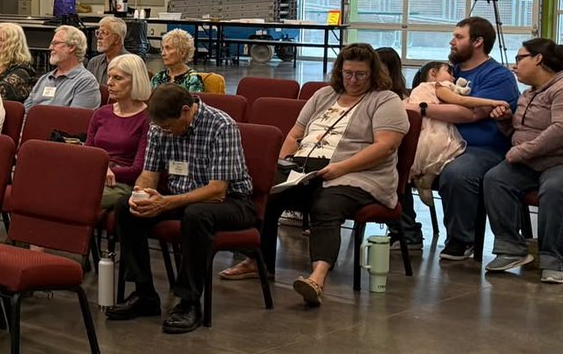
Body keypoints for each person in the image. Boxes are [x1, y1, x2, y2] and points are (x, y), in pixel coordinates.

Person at [220, 43, 408, 308]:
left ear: (373, 74)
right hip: (306, 168)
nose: (352, 80)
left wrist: (341, 168)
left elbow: (385, 146)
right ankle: (257, 261)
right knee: (266, 190)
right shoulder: (324, 94)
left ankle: (317, 278)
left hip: (358, 174)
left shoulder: (386, 100)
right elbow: (296, 134)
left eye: (360, 74)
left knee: (327, 203)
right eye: (347, 73)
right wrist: (283, 164)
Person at [104, 85, 254, 335]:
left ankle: (189, 302)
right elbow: (148, 175)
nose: (166, 133)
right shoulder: (158, 127)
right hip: (180, 196)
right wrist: (141, 194)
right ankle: (144, 294)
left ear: (186, 111)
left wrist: (166, 203)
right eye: (161, 128)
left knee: (197, 214)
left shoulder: (220, 126)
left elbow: (217, 190)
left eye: (169, 127)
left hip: (231, 201)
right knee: (126, 208)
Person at [413, 17, 520, 261]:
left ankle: (462, 240)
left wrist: (423, 108)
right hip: (439, 139)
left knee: (457, 173)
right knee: (394, 160)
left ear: (478, 42)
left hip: (481, 147)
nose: (451, 42)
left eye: (459, 37)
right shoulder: (449, 72)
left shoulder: (498, 76)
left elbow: (469, 113)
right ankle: (408, 234)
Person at [483, 38, 563, 283]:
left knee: (555, 189)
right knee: (495, 179)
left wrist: (522, 151)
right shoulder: (527, 93)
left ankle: (553, 260)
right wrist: (505, 122)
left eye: (520, 59)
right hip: (530, 163)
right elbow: (518, 134)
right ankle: (510, 248)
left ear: (538, 59)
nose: (514, 66)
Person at [408, 61, 509, 206]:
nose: (453, 78)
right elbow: (461, 101)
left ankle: (422, 180)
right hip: (436, 131)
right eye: (449, 73)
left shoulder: (417, 90)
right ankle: (426, 181)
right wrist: (492, 102)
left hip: (418, 135)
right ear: (433, 73)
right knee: (450, 150)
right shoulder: (439, 87)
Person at [86, 54, 150, 210]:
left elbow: (138, 169)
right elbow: (87, 151)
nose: (109, 83)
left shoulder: (148, 119)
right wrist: (100, 169)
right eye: (109, 77)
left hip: (121, 183)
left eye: (117, 78)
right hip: (94, 175)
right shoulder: (102, 113)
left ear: (136, 81)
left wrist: (105, 170)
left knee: (76, 197)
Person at [375, 46, 422, 248]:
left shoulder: (397, 101)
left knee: (394, 177)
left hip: (395, 156)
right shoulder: (373, 96)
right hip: (380, 152)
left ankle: (408, 233)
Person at [23, 25, 99, 111]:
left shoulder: (86, 82)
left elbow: (76, 120)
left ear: (71, 47)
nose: (50, 48)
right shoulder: (44, 79)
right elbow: (26, 113)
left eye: (55, 43)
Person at [85, 16, 131, 84]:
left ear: (116, 39)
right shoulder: (94, 62)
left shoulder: (131, 64)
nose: (99, 37)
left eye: (104, 33)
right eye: (98, 32)